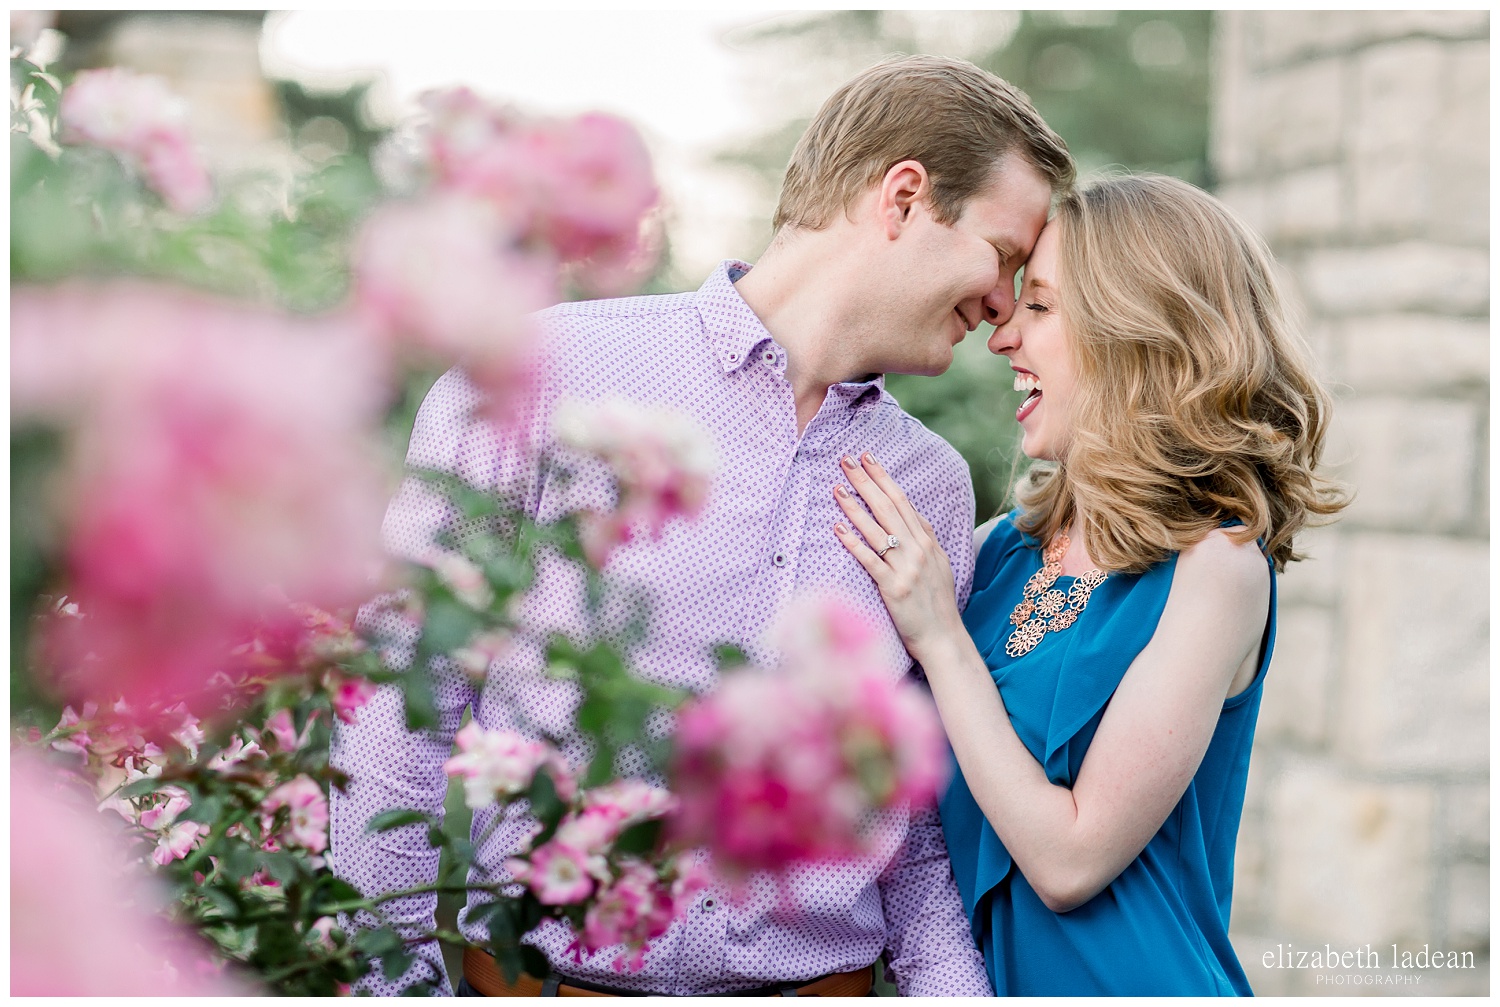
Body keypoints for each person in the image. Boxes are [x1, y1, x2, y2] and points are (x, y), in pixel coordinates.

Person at [330, 54, 1074, 996]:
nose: (1005, 309)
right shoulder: (545, 375)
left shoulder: (928, 483)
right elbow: (403, 700)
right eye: (1004, 256)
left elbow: (911, 819)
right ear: (904, 199)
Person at [831, 174, 1348, 996]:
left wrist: (940, 638)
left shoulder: (1218, 568)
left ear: (1138, 332)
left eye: (1039, 306)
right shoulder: (1001, 550)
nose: (1001, 336)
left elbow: (1070, 859)